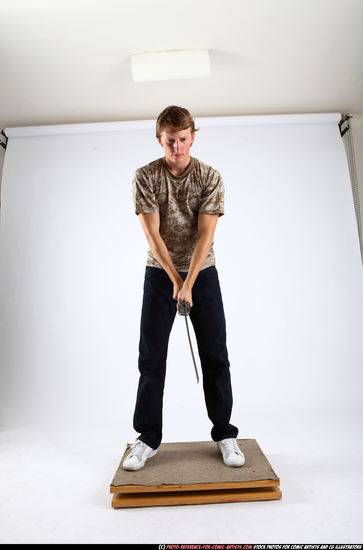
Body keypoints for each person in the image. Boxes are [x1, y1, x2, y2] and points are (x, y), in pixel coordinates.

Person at [123, 105, 245, 471]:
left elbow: (206, 234)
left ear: (192, 136)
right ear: (159, 140)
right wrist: (176, 282)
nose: (176, 147)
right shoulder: (146, 176)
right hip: (160, 274)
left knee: (215, 355)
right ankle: (146, 439)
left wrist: (189, 282)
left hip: (202, 274)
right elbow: (152, 234)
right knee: (151, 358)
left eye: (182, 139)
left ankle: (225, 433)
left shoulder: (209, 176)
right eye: (169, 141)